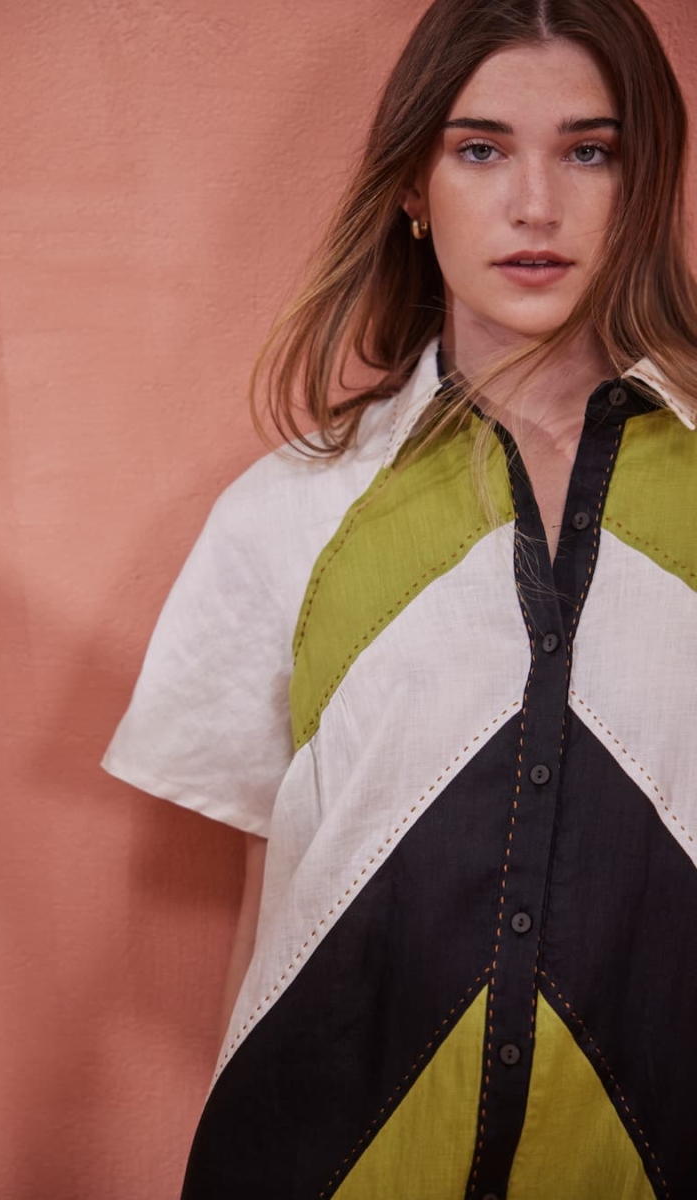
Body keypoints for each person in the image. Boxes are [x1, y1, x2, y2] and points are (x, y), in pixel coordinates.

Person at [101, 0, 697, 1196]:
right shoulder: (285, 511)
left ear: (643, 184)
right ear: (414, 187)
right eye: (479, 149)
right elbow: (273, 894)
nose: (534, 204)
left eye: (588, 150)